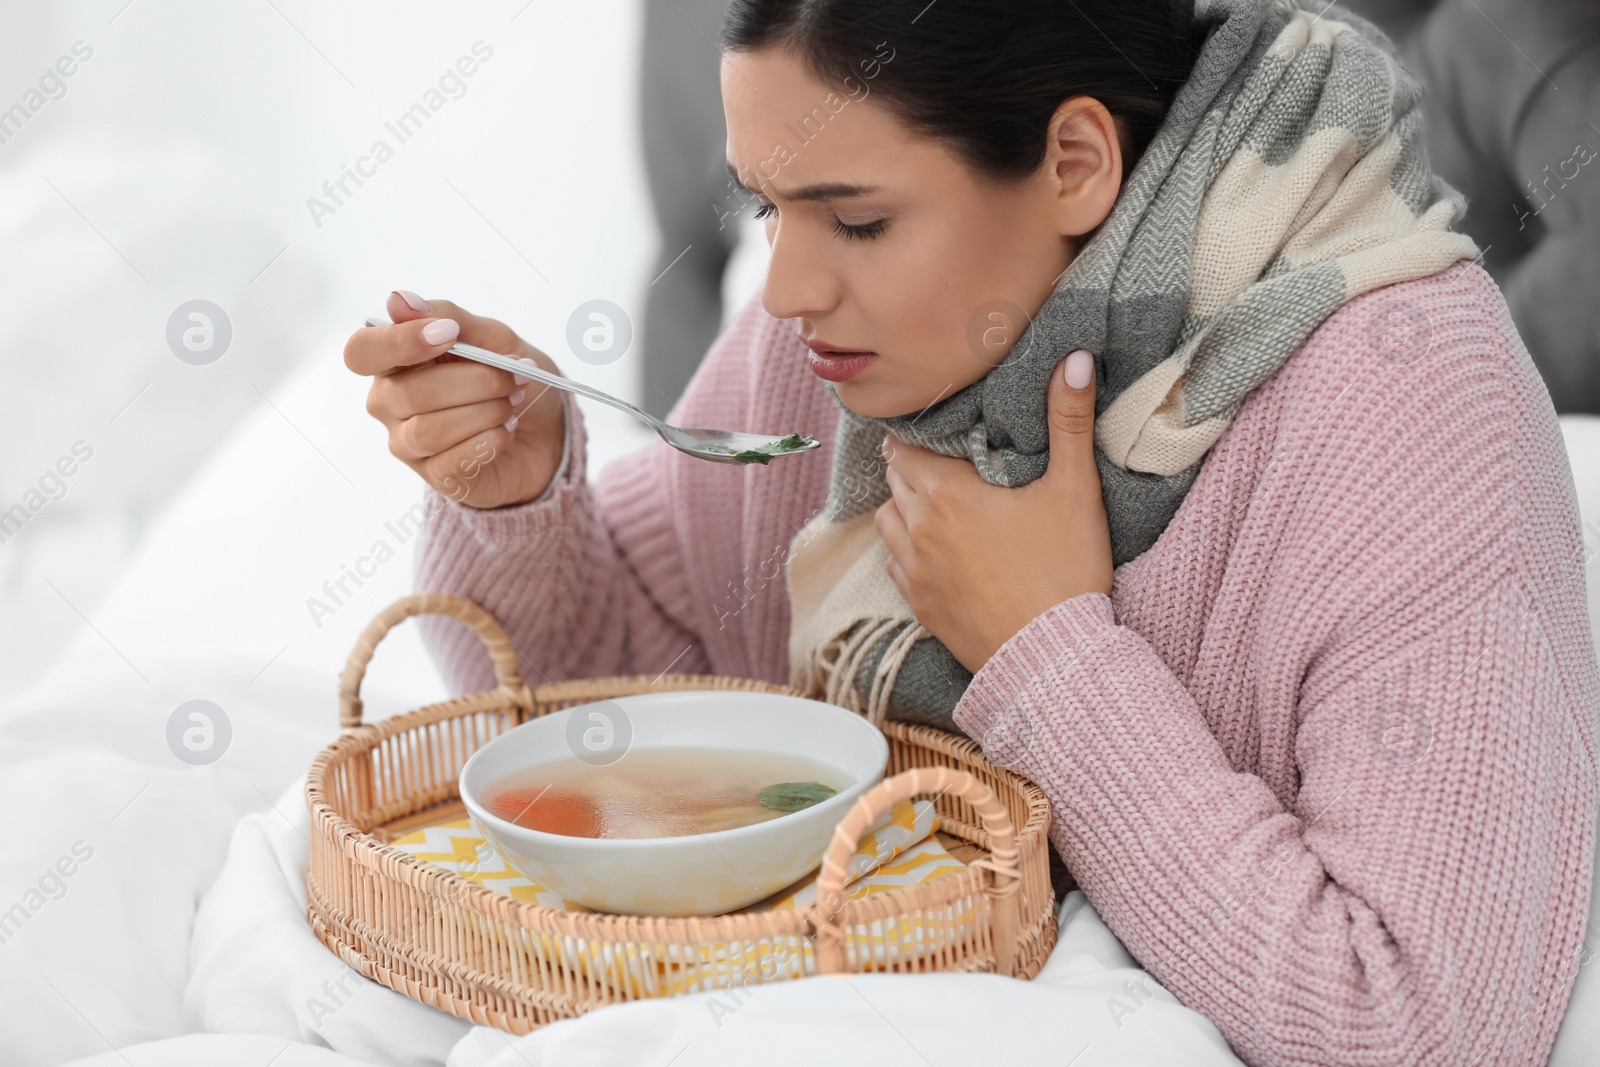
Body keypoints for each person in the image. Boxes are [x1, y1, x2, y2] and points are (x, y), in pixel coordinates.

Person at [342, 2, 1598, 1063]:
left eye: (857, 219)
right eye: (764, 209)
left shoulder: (1411, 402)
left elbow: (1426, 1023)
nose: (781, 291)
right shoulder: (833, 346)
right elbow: (623, 698)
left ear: (1073, 164)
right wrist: (516, 491)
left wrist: (1045, 651)